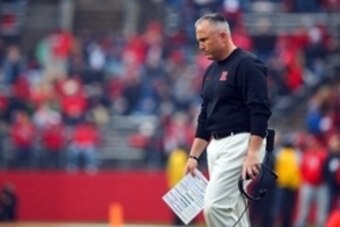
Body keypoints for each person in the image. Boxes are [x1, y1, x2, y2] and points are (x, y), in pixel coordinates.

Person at [184, 13, 271, 227]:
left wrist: (252, 153)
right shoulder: (211, 72)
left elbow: (260, 111)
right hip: (217, 145)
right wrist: (194, 156)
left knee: (214, 206)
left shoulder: (248, 65)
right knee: (235, 209)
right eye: (198, 41)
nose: (200, 46)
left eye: (204, 39)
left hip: (241, 142)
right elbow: (205, 116)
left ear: (223, 36)